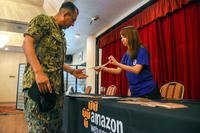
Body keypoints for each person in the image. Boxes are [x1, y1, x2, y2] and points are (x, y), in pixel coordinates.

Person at [22, 2, 87, 133]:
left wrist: (72, 71)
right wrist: (38, 72)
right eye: (73, 20)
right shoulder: (43, 20)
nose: (73, 24)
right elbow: (26, 43)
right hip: (39, 89)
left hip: (56, 93)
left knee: (55, 129)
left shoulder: (61, 35)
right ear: (65, 13)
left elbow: (56, 61)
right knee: (39, 129)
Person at [95, 26, 161, 99]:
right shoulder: (126, 54)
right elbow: (118, 70)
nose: (122, 40)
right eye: (121, 37)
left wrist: (117, 63)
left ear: (131, 37)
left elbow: (136, 70)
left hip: (148, 92)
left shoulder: (142, 50)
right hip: (135, 92)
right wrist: (103, 68)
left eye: (124, 37)